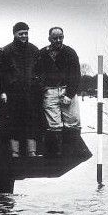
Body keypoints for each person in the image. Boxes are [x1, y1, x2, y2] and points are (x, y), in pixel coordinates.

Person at [0, 22, 41, 157]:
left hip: (31, 93)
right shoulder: (5, 51)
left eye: (26, 33)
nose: (24, 36)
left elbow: (40, 71)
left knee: (31, 120)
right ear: (14, 34)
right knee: (13, 122)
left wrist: (38, 86)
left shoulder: (34, 50)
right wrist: (2, 91)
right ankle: (14, 152)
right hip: (12, 94)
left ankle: (32, 151)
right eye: (21, 33)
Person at [34, 27, 81, 156]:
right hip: (50, 91)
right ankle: (56, 153)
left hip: (67, 90)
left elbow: (76, 75)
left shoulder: (70, 52)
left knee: (73, 121)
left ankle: (72, 152)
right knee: (53, 124)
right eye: (55, 38)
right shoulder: (42, 53)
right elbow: (36, 73)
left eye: (61, 37)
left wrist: (70, 94)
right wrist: (42, 88)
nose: (58, 40)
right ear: (49, 38)